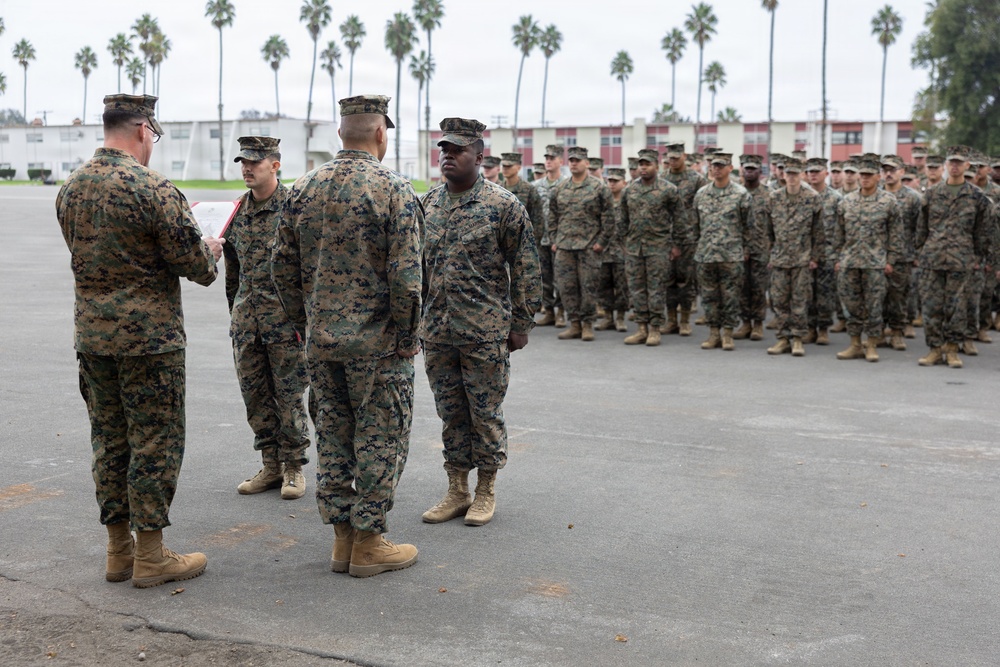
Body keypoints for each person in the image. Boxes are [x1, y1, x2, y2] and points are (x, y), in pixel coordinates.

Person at [55, 94, 223, 588]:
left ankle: (118, 551)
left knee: (109, 441)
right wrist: (210, 249)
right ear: (143, 130)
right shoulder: (153, 188)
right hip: (150, 342)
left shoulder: (70, 188)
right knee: (154, 442)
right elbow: (196, 267)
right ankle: (151, 555)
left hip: (93, 338)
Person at [272, 94, 422, 577]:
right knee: (380, 438)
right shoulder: (394, 190)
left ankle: (342, 539)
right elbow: (407, 279)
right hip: (377, 347)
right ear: (381, 133)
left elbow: (280, 268)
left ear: (341, 132)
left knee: (334, 437)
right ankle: (369, 543)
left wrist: (304, 325)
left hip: (321, 343)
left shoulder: (302, 189)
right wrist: (408, 336)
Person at [419, 117, 541, 527]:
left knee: (484, 412)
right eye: (444, 150)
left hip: (484, 331)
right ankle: (457, 489)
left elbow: (526, 267)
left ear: (479, 156)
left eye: (458, 150)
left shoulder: (503, 205)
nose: (448, 156)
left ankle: (486, 488)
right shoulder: (428, 203)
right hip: (438, 330)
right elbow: (417, 268)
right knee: (450, 411)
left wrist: (521, 323)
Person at [224, 136, 311, 501]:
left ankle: (293, 467)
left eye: (254, 163)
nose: (247, 169)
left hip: (285, 323)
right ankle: (270, 465)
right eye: (243, 163)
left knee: (289, 397)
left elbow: (309, 268)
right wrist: (236, 312)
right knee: (255, 396)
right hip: (248, 322)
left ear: (275, 165)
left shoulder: (295, 208)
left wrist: (305, 321)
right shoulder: (236, 212)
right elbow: (233, 270)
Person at [914, 146, 992, 368]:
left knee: (957, 307)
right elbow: (921, 228)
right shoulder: (931, 194)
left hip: (961, 259)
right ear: (946, 165)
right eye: (952, 162)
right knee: (932, 306)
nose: (955, 166)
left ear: (967, 165)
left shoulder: (977, 197)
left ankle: (952, 349)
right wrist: (920, 252)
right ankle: (935, 349)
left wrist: (977, 257)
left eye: (959, 162)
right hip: (933, 258)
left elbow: (982, 232)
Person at [833, 155, 904, 363]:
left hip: (875, 263)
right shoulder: (846, 201)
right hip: (850, 262)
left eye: (869, 175)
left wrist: (891, 260)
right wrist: (838, 258)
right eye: (862, 175)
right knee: (851, 305)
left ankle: (872, 344)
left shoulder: (888, 201)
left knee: (874, 306)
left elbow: (896, 234)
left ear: (877, 177)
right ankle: (855, 344)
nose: (864, 178)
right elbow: (838, 233)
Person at [549, 146, 615, 341]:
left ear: (587, 163)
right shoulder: (560, 188)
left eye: (578, 160)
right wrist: (554, 239)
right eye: (571, 160)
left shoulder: (599, 188)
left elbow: (609, 218)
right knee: (566, 287)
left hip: (589, 246)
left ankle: (587, 324)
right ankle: (575, 324)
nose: (574, 163)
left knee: (588, 286)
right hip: (565, 246)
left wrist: (602, 242)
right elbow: (552, 216)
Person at [619, 149, 683, 346]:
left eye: (647, 164)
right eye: (641, 164)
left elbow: (680, 219)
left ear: (657, 165)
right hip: (634, 248)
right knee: (636, 289)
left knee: (656, 289)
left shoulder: (668, 189)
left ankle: (655, 328)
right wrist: (623, 242)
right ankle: (641, 328)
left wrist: (676, 245)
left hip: (658, 247)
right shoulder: (629, 190)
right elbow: (623, 219)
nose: (643, 168)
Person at [762, 157, 824, 357]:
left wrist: (815, 257)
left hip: (802, 259)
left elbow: (818, 231)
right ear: (783, 175)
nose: (791, 177)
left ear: (802, 175)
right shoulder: (774, 198)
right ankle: (782, 339)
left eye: (795, 174)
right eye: (788, 174)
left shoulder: (812, 198)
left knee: (800, 300)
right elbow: (768, 231)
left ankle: (797, 339)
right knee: (779, 300)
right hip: (780, 259)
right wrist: (770, 254)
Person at [692, 152, 752, 351]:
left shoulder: (741, 194)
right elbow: (695, 225)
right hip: (706, 254)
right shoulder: (701, 194)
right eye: (714, 166)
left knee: (730, 296)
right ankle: (713, 333)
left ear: (730, 168)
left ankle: (727, 333)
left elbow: (749, 226)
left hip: (731, 255)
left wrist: (745, 249)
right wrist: (696, 249)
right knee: (709, 297)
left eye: (721, 166)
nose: (716, 169)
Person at [663, 143, 708, 336]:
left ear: (684, 156)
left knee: (686, 281)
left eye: (676, 157)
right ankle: (671, 319)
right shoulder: (662, 179)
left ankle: (684, 320)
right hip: (665, 237)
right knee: (668, 280)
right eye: (670, 158)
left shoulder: (697, 180)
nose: (673, 161)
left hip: (689, 238)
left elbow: (704, 208)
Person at [880, 155, 922, 350]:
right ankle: (879, 333)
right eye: (885, 170)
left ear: (902, 172)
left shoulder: (913, 198)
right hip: (876, 255)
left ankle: (897, 333)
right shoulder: (875, 194)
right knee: (876, 296)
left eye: (892, 170)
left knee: (898, 297)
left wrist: (916, 254)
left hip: (903, 256)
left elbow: (920, 228)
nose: (888, 174)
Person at [733, 154, 770, 341]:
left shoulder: (769, 194)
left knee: (758, 287)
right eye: (746, 168)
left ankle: (758, 324)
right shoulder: (736, 193)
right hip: (738, 248)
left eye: (753, 169)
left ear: (760, 171)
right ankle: (745, 322)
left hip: (761, 248)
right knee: (742, 286)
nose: (749, 172)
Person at [533, 145, 567, 327]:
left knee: (560, 277)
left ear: (561, 161)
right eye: (546, 158)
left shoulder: (566, 184)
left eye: (552, 158)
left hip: (560, 239)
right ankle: (549, 311)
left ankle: (561, 312)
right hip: (541, 239)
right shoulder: (536, 186)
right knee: (544, 277)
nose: (548, 161)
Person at [598, 167, 630, 332]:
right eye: (610, 181)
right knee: (604, 285)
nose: (612, 184)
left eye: (616, 181)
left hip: (622, 251)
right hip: (603, 251)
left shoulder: (628, 202)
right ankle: (608, 317)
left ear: (624, 183)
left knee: (622, 286)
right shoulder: (603, 202)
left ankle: (620, 317)